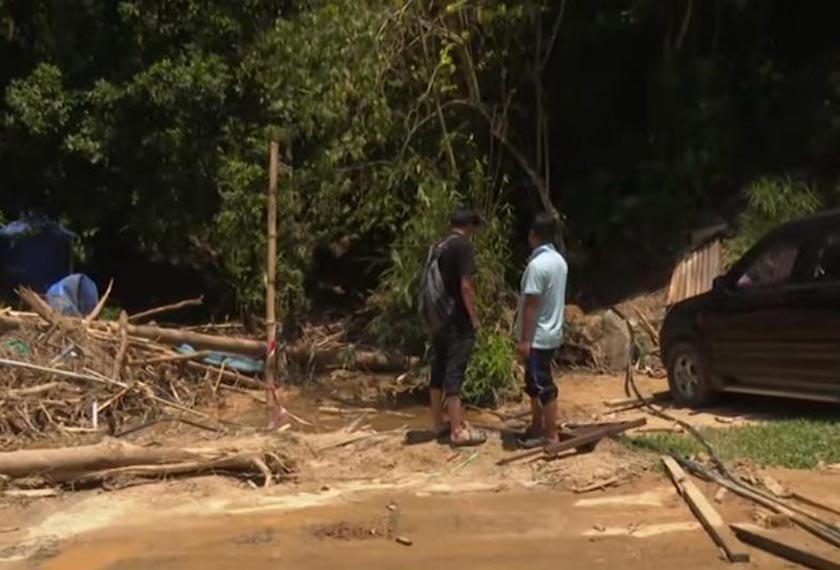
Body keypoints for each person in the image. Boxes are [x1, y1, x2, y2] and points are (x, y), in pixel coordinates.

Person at [429, 207, 487, 447]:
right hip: (456, 318)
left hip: (438, 316)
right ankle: (457, 430)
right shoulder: (462, 246)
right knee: (455, 370)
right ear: (470, 226)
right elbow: (465, 286)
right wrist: (474, 318)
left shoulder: (439, 246)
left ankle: (438, 423)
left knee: (438, 367)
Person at [514, 213, 568, 448]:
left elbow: (531, 304)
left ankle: (550, 434)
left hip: (538, 336)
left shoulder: (537, 266)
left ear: (533, 235)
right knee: (533, 384)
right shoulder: (559, 261)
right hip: (551, 331)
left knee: (543, 385)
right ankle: (537, 427)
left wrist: (525, 340)